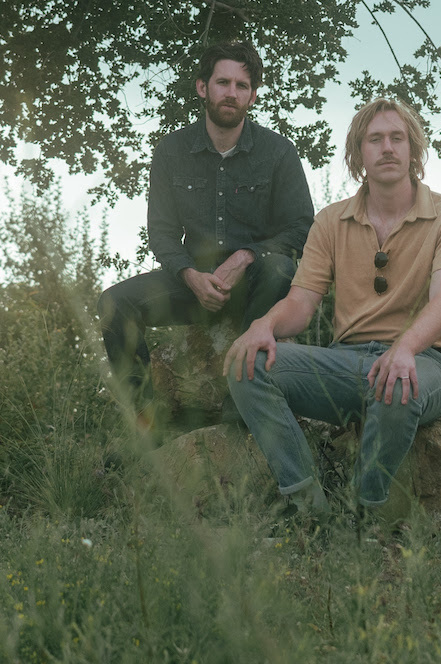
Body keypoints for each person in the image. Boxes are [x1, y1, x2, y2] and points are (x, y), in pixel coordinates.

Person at [225, 99, 441, 514]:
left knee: (397, 384)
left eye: (398, 138)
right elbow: (302, 302)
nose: (388, 148)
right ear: (358, 154)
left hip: (425, 363)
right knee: (245, 364)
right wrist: (264, 325)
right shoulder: (330, 220)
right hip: (347, 363)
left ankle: (366, 516)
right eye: (375, 139)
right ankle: (309, 507)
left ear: (414, 150)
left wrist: (405, 349)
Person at [98, 40, 314, 400]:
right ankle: (145, 416)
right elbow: (162, 234)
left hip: (255, 286)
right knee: (113, 304)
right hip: (191, 285)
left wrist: (246, 256)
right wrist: (190, 275)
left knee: (280, 268)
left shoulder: (278, 151)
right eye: (223, 83)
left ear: (253, 96)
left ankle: (245, 396)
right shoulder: (171, 151)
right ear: (203, 87)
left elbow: (302, 228)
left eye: (242, 86)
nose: (231, 93)